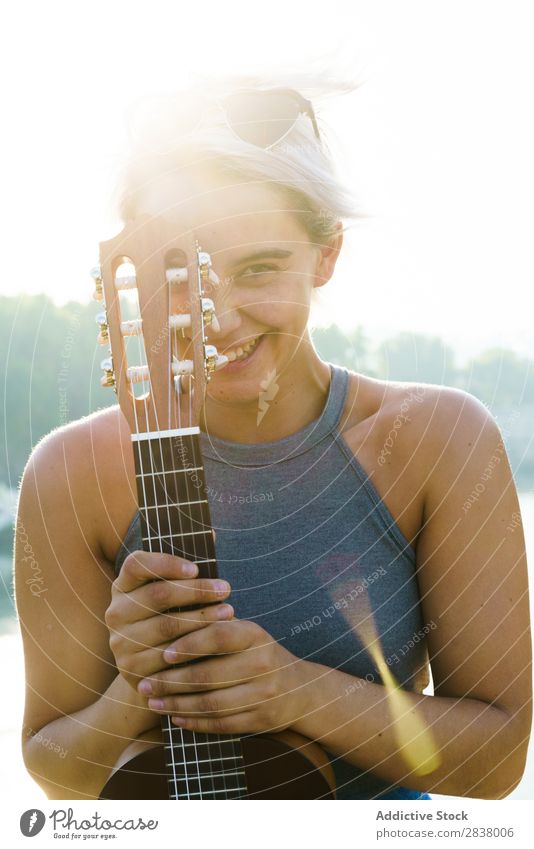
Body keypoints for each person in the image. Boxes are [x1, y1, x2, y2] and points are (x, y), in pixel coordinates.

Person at [15, 73, 531, 800]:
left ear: (326, 255)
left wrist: (294, 691)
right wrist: (142, 687)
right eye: (181, 273)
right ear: (129, 279)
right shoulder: (70, 474)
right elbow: (56, 772)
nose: (219, 318)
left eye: (258, 267)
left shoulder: (437, 440)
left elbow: (500, 761)